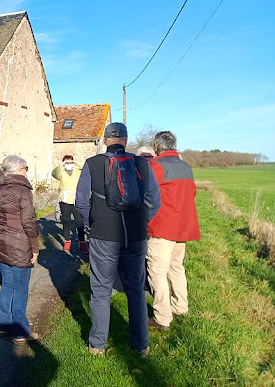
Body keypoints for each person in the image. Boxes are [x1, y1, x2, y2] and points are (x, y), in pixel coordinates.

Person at [75, 123, 161, 356]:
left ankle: (97, 345)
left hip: (103, 235)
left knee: (101, 290)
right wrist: (142, 221)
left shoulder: (92, 164)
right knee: (135, 289)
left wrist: (91, 226)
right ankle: (141, 346)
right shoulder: (142, 163)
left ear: (105, 140)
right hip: (135, 236)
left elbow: (81, 203)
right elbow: (155, 200)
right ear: (125, 139)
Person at [146, 131, 200, 331]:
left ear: (157, 147)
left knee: (157, 272)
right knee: (177, 268)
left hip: (162, 228)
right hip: (183, 227)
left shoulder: (156, 166)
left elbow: (147, 195)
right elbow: (191, 194)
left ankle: (162, 318)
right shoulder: (186, 167)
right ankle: (181, 306)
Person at [0, 155, 40, 344]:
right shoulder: (23, 191)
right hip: (20, 243)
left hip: (2, 240)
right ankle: (20, 331)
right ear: (20, 169)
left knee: (7, 285)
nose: (27, 171)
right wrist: (35, 246)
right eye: (26, 167)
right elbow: (28, 221)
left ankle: (3, 325)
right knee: (20, 288)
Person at [51, 155, 86, 253]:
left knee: (79, 222)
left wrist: (75, 162)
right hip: (65, 200)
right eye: (67, 162)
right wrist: (62, 164)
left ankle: (82, 243)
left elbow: (85, 167)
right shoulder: (61, 173)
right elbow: (53, 173)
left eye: (70, 162)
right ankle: (67, 242)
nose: (68, 164)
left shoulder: (78, 172)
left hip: (76, 200)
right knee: (66, 221)